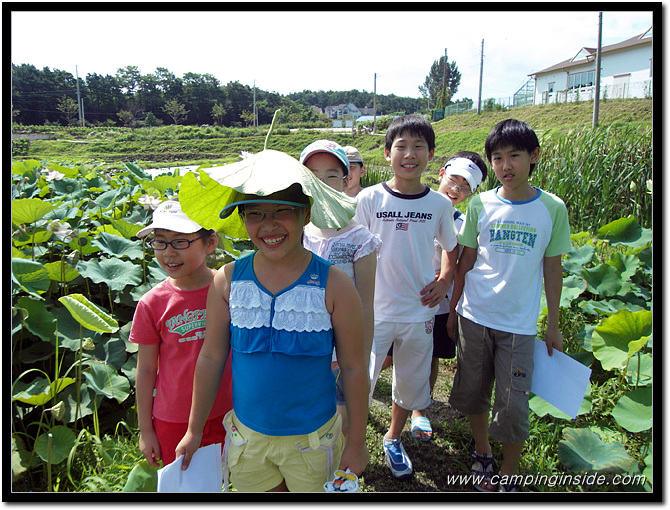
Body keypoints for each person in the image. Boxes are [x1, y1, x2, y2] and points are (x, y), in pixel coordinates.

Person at [175, 150, 370, 492]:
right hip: (247, 438)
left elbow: (354, 368)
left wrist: (356, 441)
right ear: (242, 218)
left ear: (306, 213)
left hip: (314, 439)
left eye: (283, 211)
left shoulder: (334, 284)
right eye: (255, 214)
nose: (268, 225)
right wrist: (193, 429)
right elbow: (211, 357)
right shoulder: (228, 280)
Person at [447, 119, 571, 492]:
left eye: (514, 156)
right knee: (474, 390)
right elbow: (465, 263)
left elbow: (553, 267)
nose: (505, 166)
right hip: (474, 315)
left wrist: (553, 324)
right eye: (497, 158)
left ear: (533, 156)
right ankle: (482, 451)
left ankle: (510, 469)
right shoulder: (481, 204)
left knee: (514, 402)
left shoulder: (552, 208)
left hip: (519, 324)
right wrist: (455, 309)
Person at [353, 114, 459, 480]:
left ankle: (393, 436)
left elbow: (451, 247)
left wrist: (445, 279)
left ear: (431, 154)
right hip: (372, 310)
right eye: (401, 147)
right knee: (360, 379)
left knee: (410, 380)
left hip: (419, 311)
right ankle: (353, 443)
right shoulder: (369, 198)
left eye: (418, 147)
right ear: (387, 154)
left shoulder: (439, 205)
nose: (409, 154)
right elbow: (352, 246)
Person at [130, 198, 233, 468]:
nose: (168, 252)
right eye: (160, 242)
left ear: (210, 243)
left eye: (180, 241)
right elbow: (145, 371)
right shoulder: (152, 303)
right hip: (173, 417)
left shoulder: (229, 289)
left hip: (230, 411)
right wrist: (146, 430)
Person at [299, 139, 381, 439]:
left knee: (342, 417)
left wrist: (362, 354)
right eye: (313, 176)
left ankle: (340, 471)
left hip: (342, 348)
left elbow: (366, 305)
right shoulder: (295, 233)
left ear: (346, 181)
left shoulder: (361, 240)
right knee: (308, 413)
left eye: (331, 175)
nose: (322, 183)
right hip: (303, 344)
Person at [416, 151, 488, 439]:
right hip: (401, 294)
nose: (455, 190)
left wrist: (454, 306)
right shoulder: (414, 205)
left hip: (438, 303)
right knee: (387, 352)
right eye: (453, 180)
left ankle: (420, 408)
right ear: (441, 173)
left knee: (430, 354)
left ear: (473, 193)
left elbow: (461, 267)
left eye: (464, 187)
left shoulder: (464, 222)